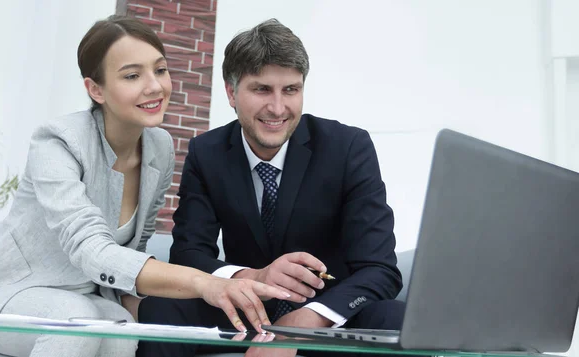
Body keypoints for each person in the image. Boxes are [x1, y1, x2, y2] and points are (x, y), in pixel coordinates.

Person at [0, 15, 288, 357]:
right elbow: (92, 249)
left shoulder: (160, 147)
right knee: (76, 320)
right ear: (96, 89)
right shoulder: (57, 142)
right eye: (132, 75)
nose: (154, 86)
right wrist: (206, 283)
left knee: (123, 330)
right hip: (12, 297)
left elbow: (131, 253)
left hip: (90, 297)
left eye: (160, 70)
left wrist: (152, 309)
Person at [137, 18, 405, 357]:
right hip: (243, 307)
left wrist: (302, 325)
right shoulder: (207, 153)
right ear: (231, 92)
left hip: (327, 316)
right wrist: (254, 276)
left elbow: (380, 269)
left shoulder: (349, 147)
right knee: (160, 310)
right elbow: (188, 255)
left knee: (399, 319)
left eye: (290, 90)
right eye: (262, 89)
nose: (278, 108)